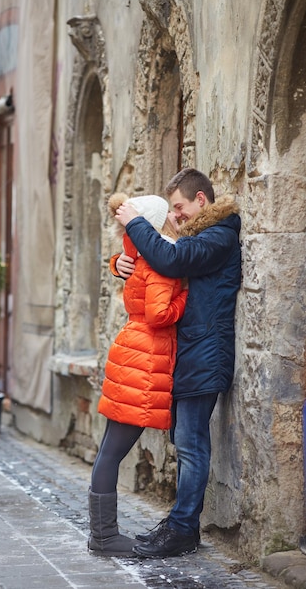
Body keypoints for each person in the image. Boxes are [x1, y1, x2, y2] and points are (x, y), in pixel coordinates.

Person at [114, 168, 241, 558]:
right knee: (185, 443)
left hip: (206, 354)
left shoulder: (220, 236)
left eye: (179, 206)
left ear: (201, 199)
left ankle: (184, 530)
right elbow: (159, 260)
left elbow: (170, 258)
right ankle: (179, 524)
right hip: (191, 355)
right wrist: (118, 261)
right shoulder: (199, 235)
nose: (176, 214)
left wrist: (135, 221)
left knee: (190, 445)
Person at [88, 192, 188, 557]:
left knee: (108, 449)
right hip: (143, 360)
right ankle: (103, 537)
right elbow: (160, 313)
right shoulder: (159, 259)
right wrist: (186, 299)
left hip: (131, 349)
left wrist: (118, 262)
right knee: (113, 452)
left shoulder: (137, 256)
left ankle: (102, 535)